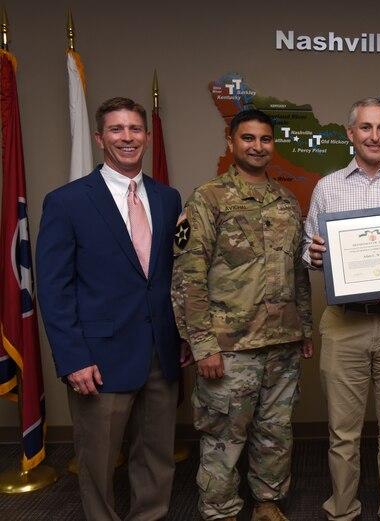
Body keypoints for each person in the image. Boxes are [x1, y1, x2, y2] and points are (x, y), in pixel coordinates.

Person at [36, 97, 191, 521]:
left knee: (157, 457)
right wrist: (73, 358)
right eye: (117, 130)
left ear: (145, 135)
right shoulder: (67, 201)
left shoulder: (166, 197)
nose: (127, 138)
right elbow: (54, 288)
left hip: (161, 353)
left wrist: (182, 336)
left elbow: (173, 276)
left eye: (135, 129)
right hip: (98, 360)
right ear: (100, 137)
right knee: (98, 464)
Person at [172, 108, 313, 521]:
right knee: (223, 436)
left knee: (275, 432)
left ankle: (267, 502)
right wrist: (202, 344)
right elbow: (187, 275)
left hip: (282, 343)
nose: (257, 146)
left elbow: (297, 272)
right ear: (230, 142)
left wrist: (303, 326)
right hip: (229, 346)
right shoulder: (208, 198)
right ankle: (220, 510)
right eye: (248, 138)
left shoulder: (286, 201)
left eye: (265, 139)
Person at [304, 98, 380, 521]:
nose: (375, 136)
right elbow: (309, 248)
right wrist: (315, 254)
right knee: (343, 432)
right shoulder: (328, 187)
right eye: (366, 128)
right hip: (345, 323)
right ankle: (343, 510)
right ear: (350, 133)